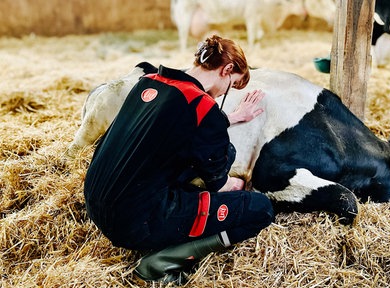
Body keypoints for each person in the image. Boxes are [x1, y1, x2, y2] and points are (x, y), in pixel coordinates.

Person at [83, 35, 274, 284]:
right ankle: (160, 262)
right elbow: (218, 182)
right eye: (231, 85)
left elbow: (175, 125)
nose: (222, 94)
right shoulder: (204, 107)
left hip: (96, 205)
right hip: (136, 223)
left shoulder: (150, 82)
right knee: (260, 209)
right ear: (226, 70)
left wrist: (229, 118)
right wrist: (231, 183)